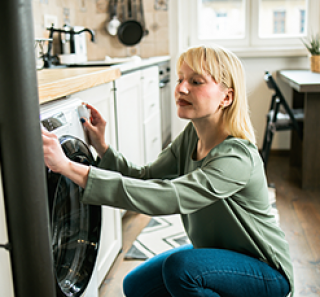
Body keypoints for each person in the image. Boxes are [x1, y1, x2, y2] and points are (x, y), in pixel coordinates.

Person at [42, 45, 293, 297]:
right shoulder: (190, 137)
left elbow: (168, 196)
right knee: (136, 286)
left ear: (226, 97)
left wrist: (67, 167)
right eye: (181, 79)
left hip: (266, 273)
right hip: (218, 257)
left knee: (182, 270)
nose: (182, 88)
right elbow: (145, 177)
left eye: (196, 81)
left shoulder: (237, 157)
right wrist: (103, 148)